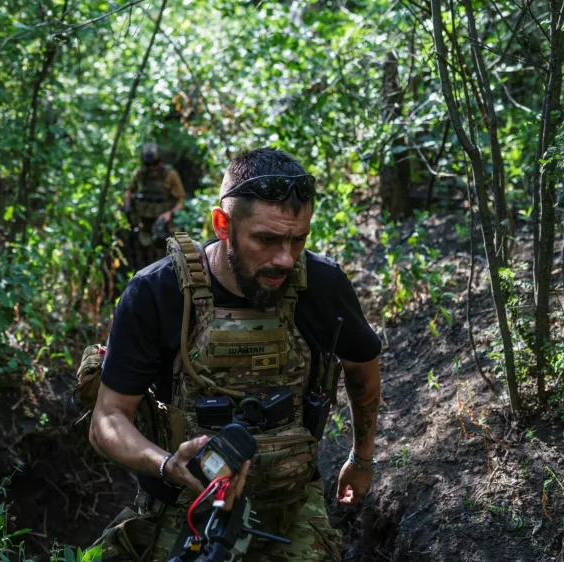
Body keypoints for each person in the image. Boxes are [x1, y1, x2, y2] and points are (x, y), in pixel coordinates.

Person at [90, 147, 382, 561]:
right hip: (184, 504)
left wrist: (362, 458)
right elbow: (107, 418)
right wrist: (167, 463)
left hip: (292, 504)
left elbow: (362, 371)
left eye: (298, 239)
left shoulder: (322, 283)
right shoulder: (156, 292)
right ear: (222, 224)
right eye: (266, 239)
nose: (284, 258)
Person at [123, 143, 186, 271]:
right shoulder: (140, 174)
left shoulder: (170, 174)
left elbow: (182, 200)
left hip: (165, 223)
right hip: (144, 222)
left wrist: (169, 214)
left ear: (160, 161)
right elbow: (129, 191)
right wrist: (128, 206)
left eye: (155, 164)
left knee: (172, 253)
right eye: (148, 165)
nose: (152, 168)